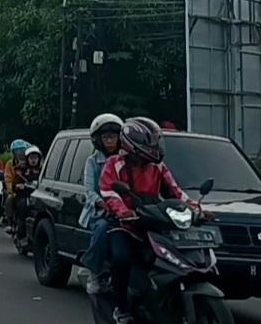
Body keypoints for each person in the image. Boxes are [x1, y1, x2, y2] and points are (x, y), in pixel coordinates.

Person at [99, 117, 200, 324]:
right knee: (121, 258)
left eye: (156, 143)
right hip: (124, 224)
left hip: (153, 222)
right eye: (150, 144)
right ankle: (121, 307)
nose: (154, 148)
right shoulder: (114, 164)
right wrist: (124, 212)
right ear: (133, 144)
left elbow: (176, 192)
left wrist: (197, 208)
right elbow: (109, 192)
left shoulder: (158, 167)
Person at [79, 113, 124, 295]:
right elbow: (89, 191)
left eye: (113, 137)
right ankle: (94, 272)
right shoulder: (92, 162)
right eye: (106, 137)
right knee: (102, 229)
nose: (110, 141)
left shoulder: (125, 160)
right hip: (100, 212)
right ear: (98, 139)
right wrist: (102, 203)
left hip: (124, 209)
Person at [3, 139, 30, 233]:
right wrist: (11, 190)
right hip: (15, 189)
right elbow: (8, 178)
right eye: (17, 151)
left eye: (22, 150)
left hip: (28, 188)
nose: (19, 153)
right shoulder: (10, 164)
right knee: (10, 199)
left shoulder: (30, 162)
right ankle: (9, 222)